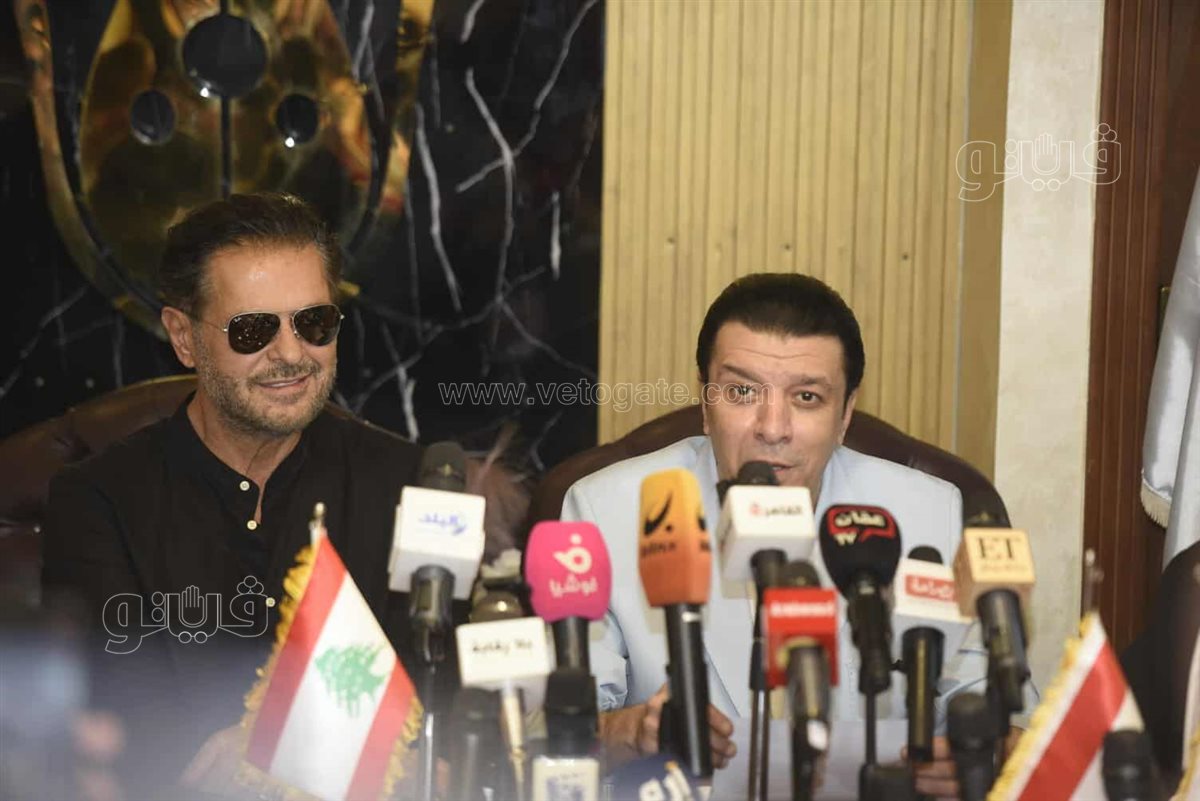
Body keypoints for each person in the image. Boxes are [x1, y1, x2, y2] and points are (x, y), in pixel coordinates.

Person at [40, 193, 440, 796]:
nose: (291, 354)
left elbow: (443, 699)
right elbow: (120, 726)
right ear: (183, 337)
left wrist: (285, 742)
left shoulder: (408, 483)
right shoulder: (98, 502)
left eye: (314, 322)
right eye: (254, 330)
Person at [561, 273, 985, 799]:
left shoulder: (928, 512)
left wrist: (976, 754)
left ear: (845, 414)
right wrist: (632, 731)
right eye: (742, 392)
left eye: (807, 397)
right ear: (706, 402)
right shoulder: (607, 509)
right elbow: (560, 729)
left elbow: (1001, 714)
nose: (773, 427)